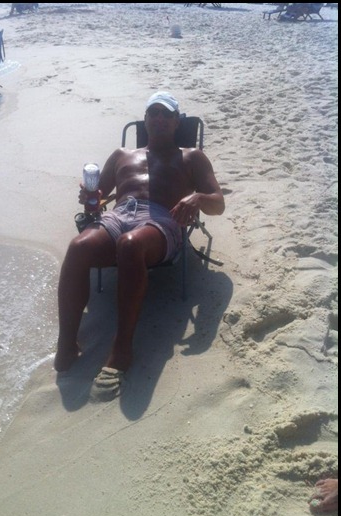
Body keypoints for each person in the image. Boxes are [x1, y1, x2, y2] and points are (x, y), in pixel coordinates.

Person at [54, 91, 225, 395]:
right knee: (78, 247)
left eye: (167, 114)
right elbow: (97, 197)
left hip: (162, 220)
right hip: (119, 214)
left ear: (177, 122)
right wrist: (88, 195)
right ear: (145, 120)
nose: (160, 119)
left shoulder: (191, 157)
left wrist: (197, 197)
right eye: (153, 113)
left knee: (130, 244)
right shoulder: (122, 155)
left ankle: (122, 349)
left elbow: (218, 203)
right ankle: (66, 343)